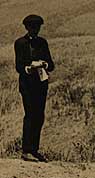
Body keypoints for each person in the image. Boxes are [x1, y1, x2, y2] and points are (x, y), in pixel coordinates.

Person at [14, 14, 54, 162]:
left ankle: (34, 150)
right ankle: (26, 150)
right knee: (30, 115)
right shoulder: (20, 43)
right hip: (27, 86)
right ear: (27, 28)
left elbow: (51, 64)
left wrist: (44, 64)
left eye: (37, 28)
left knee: (39, 116)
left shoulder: (43, 43)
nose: (35, 30)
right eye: (33, 28)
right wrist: (28, 69)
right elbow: (18, 66)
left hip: (41, 85)